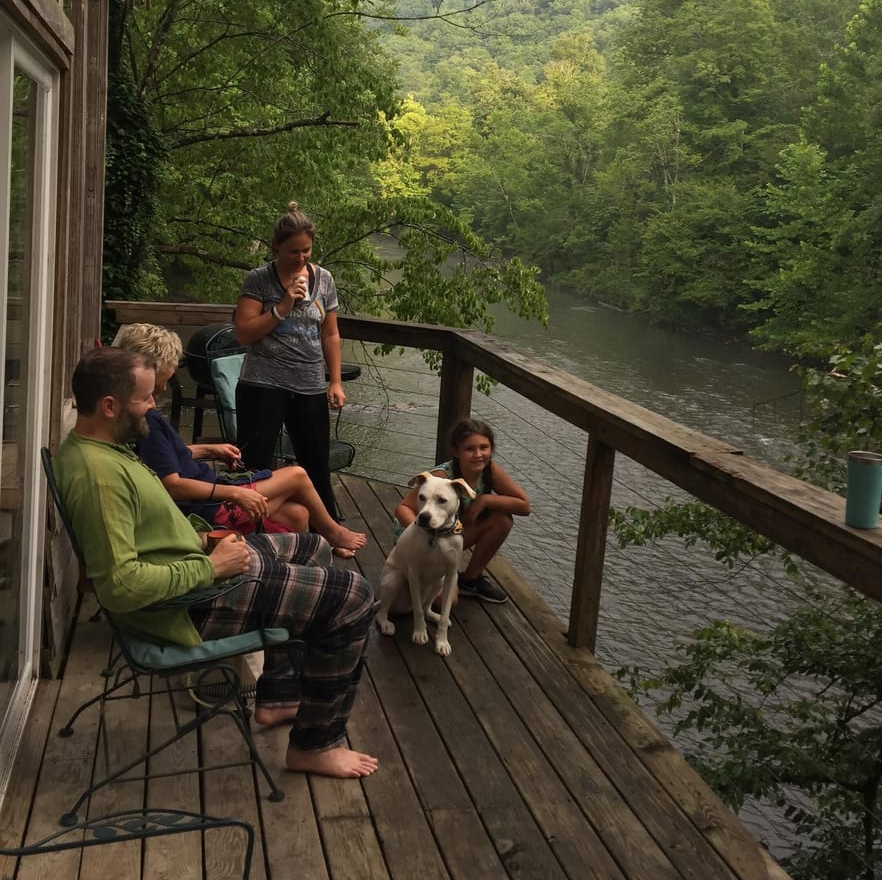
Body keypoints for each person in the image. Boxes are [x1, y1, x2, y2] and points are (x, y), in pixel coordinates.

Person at [53, 347, 378, 779]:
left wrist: (206, 539)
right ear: (109, 407)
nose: (154, 406)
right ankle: (315, 744)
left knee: (310, 547)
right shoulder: (99, 477)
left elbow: (148, 534)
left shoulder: (105, 449)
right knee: (354, 597)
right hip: (187, 605)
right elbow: (120, 586)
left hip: (196, 564)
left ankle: (279, 695)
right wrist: (212, 567)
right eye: (146, 399)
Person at [112, 323, 365, 558]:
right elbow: (173, 486)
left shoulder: (140, 416)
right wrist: (233, 493)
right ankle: (332, 533)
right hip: (210, 508)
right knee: (297, 475)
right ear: (148, 368)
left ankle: (280, 566)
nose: (168, 381)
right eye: (169, 370)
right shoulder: (147, 422)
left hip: (209, 496)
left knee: (297, 514)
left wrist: (209, 449)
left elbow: (165, 460)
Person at [234, 203, 346, 519]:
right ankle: (248, 526)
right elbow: (243, 333)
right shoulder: (258, 280)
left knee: (315, 461)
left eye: (306, 251)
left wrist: (334, 380)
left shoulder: (324, 279)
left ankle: (327, 526)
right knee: (255, 462)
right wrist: (283, 305)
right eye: (293, 251)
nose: (300, 258)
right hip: (262, 383)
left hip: (309, 383)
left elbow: (330, 334)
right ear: (277, 247)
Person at [394, 417, 531, 604]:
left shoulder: (489, 470)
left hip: (450, 534)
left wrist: (485, 499)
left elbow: (524, 506)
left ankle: (470, 580)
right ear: (455, 452)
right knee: (447, 601)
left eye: (484, 447)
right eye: (469, 449)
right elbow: (403, 508)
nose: (478, 454)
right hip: (420, 541)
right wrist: (422, 532)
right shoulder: (442, 477)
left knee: (502, 519)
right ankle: (416, 577)